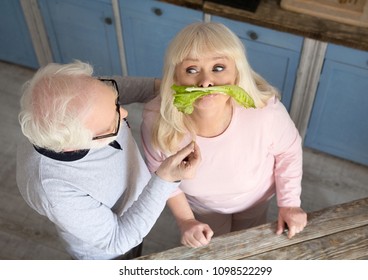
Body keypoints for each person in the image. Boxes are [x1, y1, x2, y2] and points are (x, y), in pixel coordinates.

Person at [141, 22, 307, 248]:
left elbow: (289, 152)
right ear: (175, 78)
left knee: (247, 243)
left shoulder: (265, 112)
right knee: (215, 249)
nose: (205, 82)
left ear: (237, 73)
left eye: (218, 68)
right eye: (191, 70)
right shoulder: (157, 121)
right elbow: (163, 178)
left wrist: (289, 203)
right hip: (202, 208)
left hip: (255, 201)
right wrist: (186, 221)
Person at [16, 60, 201, 259]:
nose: (125, 113)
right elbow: (118, 239)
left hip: (135, 204)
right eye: (113, 123)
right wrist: (165, 180)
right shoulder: (52, 189)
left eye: (116, 103)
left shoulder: (76, 95)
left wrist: (161, 88)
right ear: (75, 145)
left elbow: (106, 91)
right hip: (108, 253)